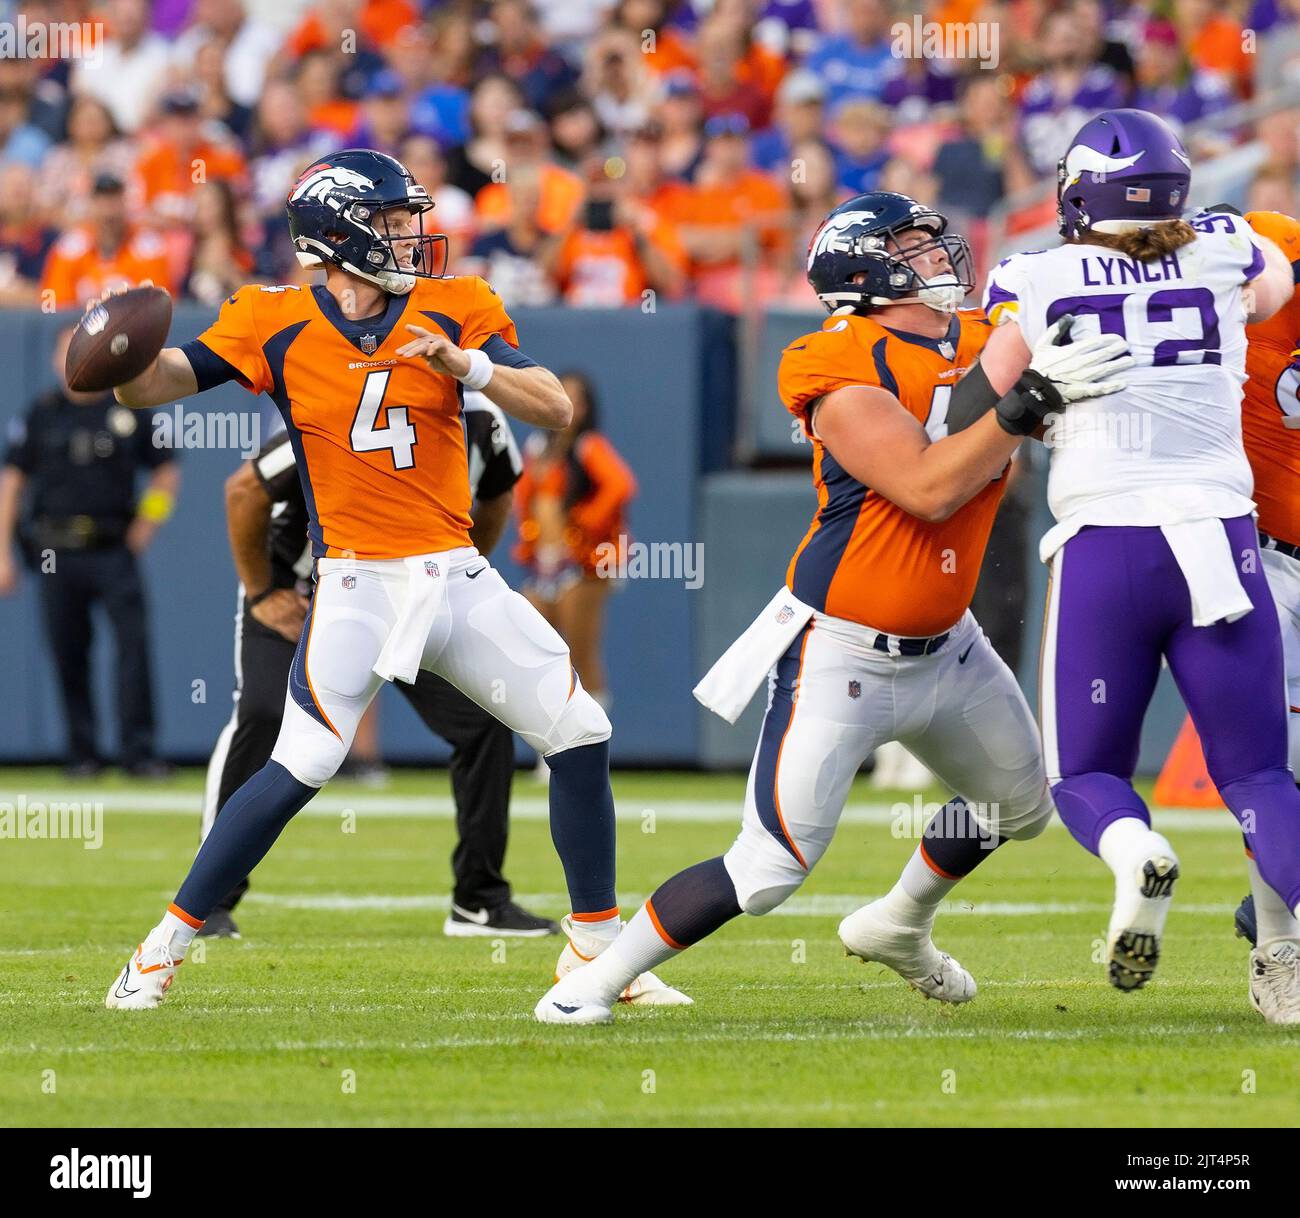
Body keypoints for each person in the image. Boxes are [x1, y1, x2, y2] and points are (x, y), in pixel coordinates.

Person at [102, 148, 687, 1013]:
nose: (412, 234)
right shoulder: (272, 316)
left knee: (579, 729)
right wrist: (112, 353)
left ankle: (598, 956)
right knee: (302, 762)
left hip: (454, 573)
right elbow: (158, 385)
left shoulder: (458, 303)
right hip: (355, 585)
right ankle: (158, 950)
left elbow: (554, 406)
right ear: (340, 235)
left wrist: (469, 368)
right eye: (391, 219)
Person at [533, 190, 1132, 1024]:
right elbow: (926, 487)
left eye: (932, 241)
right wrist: (1024, 405)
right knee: (769, 867)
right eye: (913, 246)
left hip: (950, 647)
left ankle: (900, 923)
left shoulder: (973, 335)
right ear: (867, 269)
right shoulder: (832, 359)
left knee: (1021, 804)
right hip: (842, 651)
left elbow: (1051, 319)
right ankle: (591, 983)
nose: (936, 257)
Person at [983, 109, 1300, 1023]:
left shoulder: (1034, 275)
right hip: (1224, 544)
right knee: (1259, 781)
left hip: (1108, 543)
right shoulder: (1224, 249)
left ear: (1078, 192)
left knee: (1084, 774)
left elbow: (981, 398)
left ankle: (1135, 855)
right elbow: (1272, 286)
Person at [200, 394, 557, 940]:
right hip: (305, 588)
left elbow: (498, 492)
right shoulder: (343, 402)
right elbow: (242, 489)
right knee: (266, 714)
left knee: (483, 721)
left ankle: (478, 901)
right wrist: (263, 591)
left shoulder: (481, 416)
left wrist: (460, 578)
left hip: (410, 594)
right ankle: (207, 901)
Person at [0, 327, 180, 777]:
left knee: (132, 648)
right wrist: (3, 552)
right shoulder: (41, 415)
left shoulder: (127, 410)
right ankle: (83, 753)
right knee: (68, 651)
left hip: (113, 548)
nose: (71, 363)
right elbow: (13, 484)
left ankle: (138, 752)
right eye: (64, 355)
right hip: (55, 552)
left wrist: (146, 524)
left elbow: (165, 473)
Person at [514, 371, 635, 731]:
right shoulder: (537, 448)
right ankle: (551, 739)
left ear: (585, 408)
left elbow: (621, 486)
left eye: (575, 399)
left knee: (579, 653)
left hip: (582, 565)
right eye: (560, 395)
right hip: (543, 565)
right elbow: (523, 498)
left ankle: (592, 736)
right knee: (539, 654)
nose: (567, 405)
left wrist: (584, 525)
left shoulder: (589, 447)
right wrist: (530, 540)